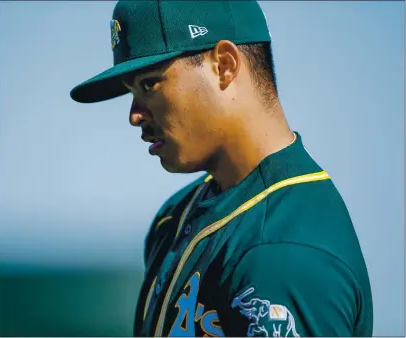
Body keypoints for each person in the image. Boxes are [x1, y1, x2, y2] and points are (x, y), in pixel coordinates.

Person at [70, 1, 373, 336]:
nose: (135, 115)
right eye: (131, 91)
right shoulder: (176, 215)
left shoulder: (281, 251)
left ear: (224, 66)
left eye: (149, 84)